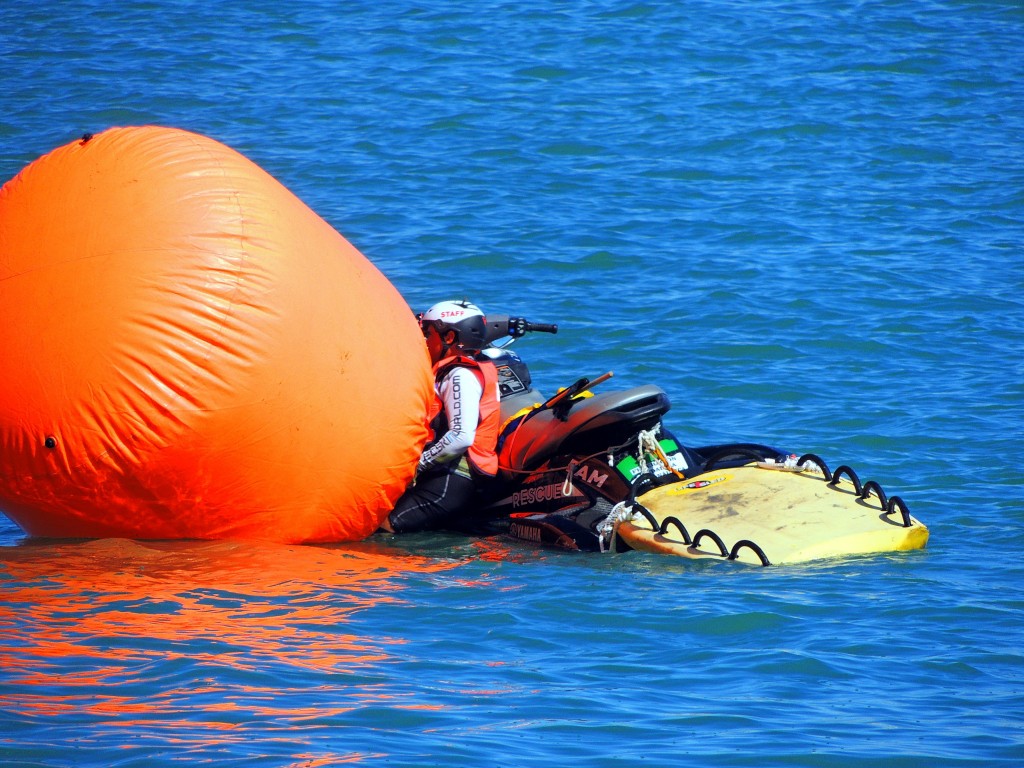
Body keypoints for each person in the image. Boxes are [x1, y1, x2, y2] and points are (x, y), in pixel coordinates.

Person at [380, 300, 500, 533]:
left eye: (428, 333)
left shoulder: (459, 375)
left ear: (449, 338)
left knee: (382, 527)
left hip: (453, 479)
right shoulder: (468, 367)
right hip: (448, 474)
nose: (424, 341)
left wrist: (417, 466)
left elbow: (461, 436)